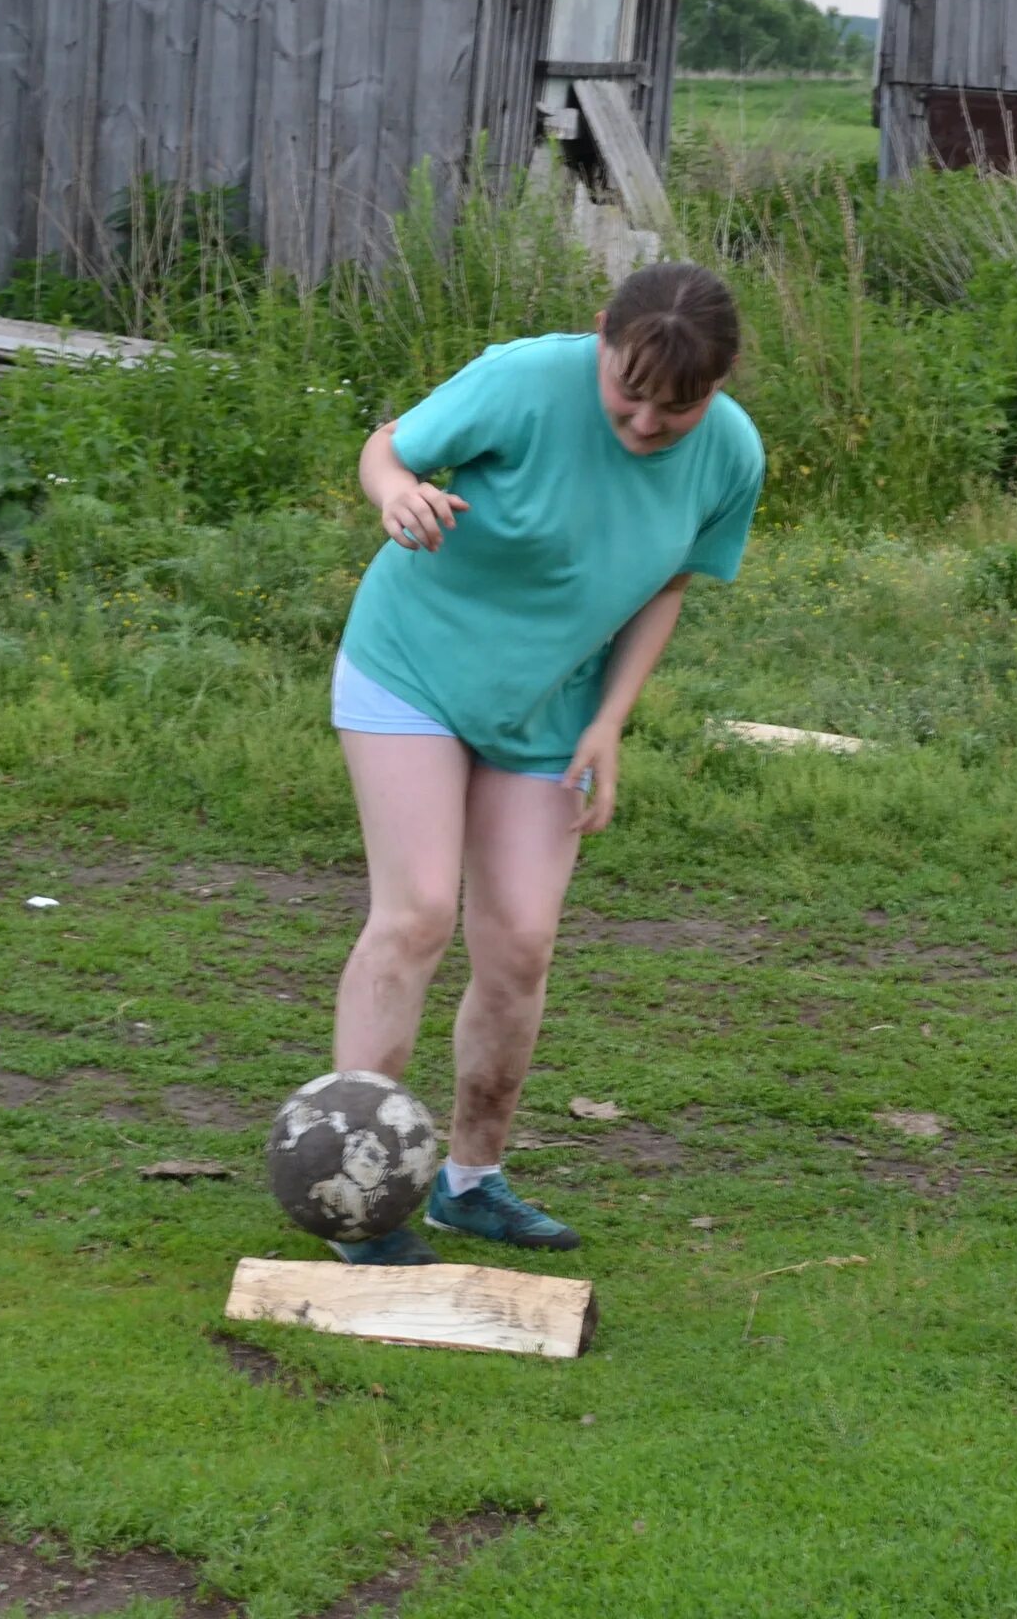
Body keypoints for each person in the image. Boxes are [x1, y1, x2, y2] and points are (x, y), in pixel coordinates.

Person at [324, 262, 763, 1265]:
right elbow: (388, 448)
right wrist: (397, 492)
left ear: (723, 382)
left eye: (679, 405)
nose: (648, 423)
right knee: (419, 910)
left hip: (550, 710)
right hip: (412, 670)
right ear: (602, 334)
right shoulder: (521, 378)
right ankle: (359, 1188)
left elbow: (666, 586)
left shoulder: (731, 454)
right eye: (630, 390)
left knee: (520, 941)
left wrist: (609, 720)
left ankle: (470, 1182)